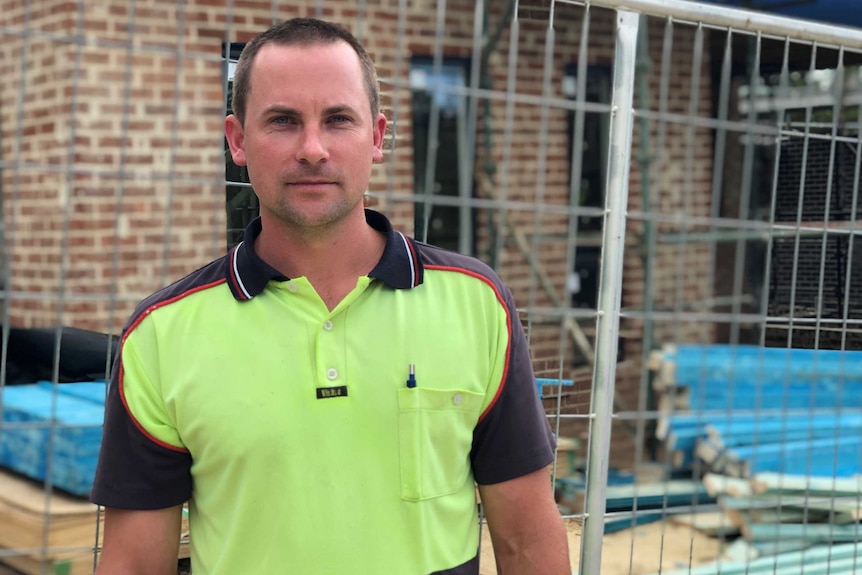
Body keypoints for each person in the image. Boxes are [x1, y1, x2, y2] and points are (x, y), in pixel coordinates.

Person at [91, 17, 570, 575]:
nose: (312, 149)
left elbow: (529, 541)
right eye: (283, 121)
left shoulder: (476, 304)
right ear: (238, 141)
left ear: (377, 137)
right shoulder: (162, 334)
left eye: (338, 119)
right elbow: (133, 565)